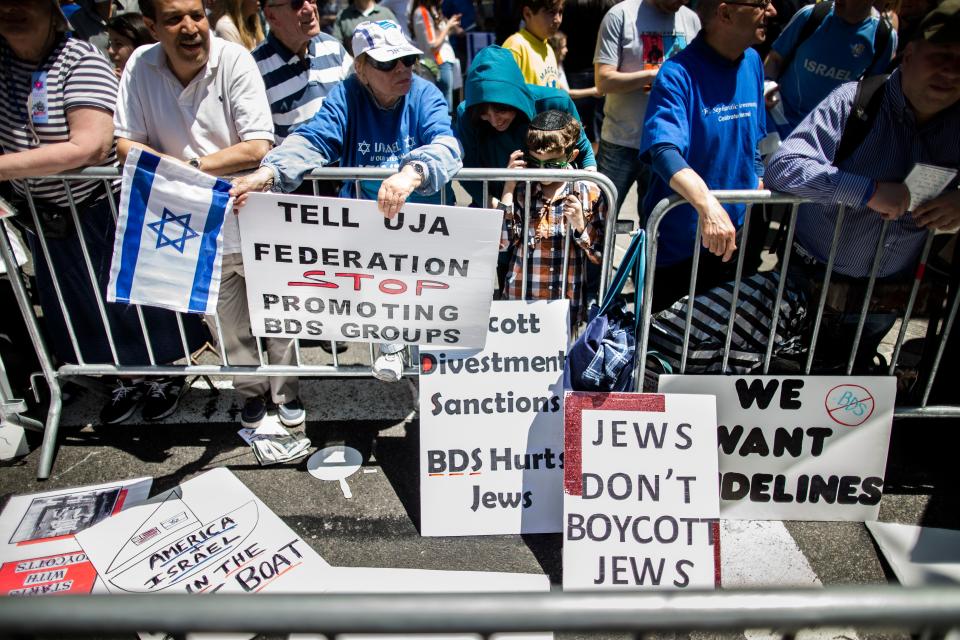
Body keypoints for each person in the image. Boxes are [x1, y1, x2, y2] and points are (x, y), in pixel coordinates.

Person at [0, 0, 208, 425]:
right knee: (81, 303)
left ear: (52, 10)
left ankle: (162, 374)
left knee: (131, 298)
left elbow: (91, 145)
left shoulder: (79, 59)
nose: (13, 10)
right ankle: (123, 378)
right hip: (43, 210)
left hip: (101, 204)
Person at [230, 20, 463, 382]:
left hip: (422, 225)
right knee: (383, 293)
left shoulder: (425, 93)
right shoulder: (347, 93)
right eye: (388, 63)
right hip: (367, 222)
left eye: (408, 59)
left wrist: (411, 172)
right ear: (361, 68)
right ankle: (393, 346)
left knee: (430, 312)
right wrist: (270, 172)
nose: (402, 69)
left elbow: (447, 145)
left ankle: (432, 384)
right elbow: (315, 137)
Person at [114, 0, 301, 429]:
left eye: (195, 15)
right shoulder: (141, 66)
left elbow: (257, 146)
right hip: (192, 226)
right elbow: (126, 144)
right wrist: (188, 173)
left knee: (280, 316)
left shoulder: (234, 59)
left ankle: (287, 392)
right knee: (225, 324)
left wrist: (184, 169)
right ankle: (251, 394)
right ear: (151, 24)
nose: (190, 27)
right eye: (174, 18)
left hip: (254, 218)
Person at [765, 2, 959, 369]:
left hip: (889, 293)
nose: (950, 71)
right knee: (786, 376)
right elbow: (784, 167)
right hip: (808, 283)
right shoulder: (854, 101)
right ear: (909, 55)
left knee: (848, 386)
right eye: (942, 55)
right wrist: (867, 191)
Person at [638, 0, 773, 312]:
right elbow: (663, 150)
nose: (771, 10)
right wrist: (708, 205)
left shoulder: (752, 61)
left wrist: (757, 177)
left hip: (734, 242)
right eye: (760, 3)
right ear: (724, 12)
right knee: (667, 350)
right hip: (679, 248)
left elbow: (755, 140)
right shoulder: (677, 74)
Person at [497, 111, 607, 325]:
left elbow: (600, 256)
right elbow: (501, 243)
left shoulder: (588, 191)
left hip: (564, 307)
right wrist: (509, 185)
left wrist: (581, 226)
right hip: (519, 301)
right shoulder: (522, 189)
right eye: (534, 162)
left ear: (571, 156)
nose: (541, 171)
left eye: (551, 165)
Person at [593, 0, 700, 217]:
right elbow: (603, 81)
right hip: (620, 142)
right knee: (598, 221)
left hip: (668, 146)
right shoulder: (620, 15)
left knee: (655, 226)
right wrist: (657, 75)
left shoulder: (691, 20)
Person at [455, 45, 595, 209]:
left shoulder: (555, 102)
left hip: (551, 209)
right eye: (484, 114)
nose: (495, 121)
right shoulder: (466, 114)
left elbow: (583, 149)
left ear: (515, 98)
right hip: (495, 204)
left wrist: (591, 190)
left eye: (501, 111)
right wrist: (494, 206)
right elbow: (467, 166)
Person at [764, 0, 897, 137]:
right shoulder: (811, 15)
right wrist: (766, 85)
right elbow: (775, 59)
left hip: (825, 134)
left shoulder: (883, 36)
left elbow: (870, 93)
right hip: (780, 119)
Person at [253, 0, 353, 144]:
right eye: (297, 4)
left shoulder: (333, 47)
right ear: (272, 15)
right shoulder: (255, 69)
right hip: (295, 165)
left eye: (312, 0)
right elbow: (260, 143)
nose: (310, 9)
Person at [410, 0, 461, 113]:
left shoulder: (433, 10)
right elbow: (432, 45)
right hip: (438, 62)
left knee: (446, 107)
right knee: (444, 108)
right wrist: (448, 26)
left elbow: (442, 37)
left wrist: (452, 26)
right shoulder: (422, 12)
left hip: (444, 61)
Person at [502, 0, 562, 86]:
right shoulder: (515, 47)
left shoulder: (549, 49)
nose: (558, 20)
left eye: (560, 12)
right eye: (551, 12)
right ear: (528, 14)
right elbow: (505, 93)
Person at [548, 31, 600, 101]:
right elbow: (567, 93)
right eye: (563, 47)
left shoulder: (560, 63)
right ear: (554, 49)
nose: (566, 50)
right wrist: (593, 91)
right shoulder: (550, 68)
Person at [333, 0, 398, 52]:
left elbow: (398, 41)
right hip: (354, 66)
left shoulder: (386, 14)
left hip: (386, 65)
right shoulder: (343, 16)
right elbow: (336, 45)